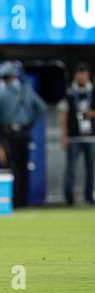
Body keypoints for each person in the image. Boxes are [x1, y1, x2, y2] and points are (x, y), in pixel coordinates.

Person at [0, 61, 47, 208]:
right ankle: (24, 201)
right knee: (23, 168)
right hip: (25, 133)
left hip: (9, 135)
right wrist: (30, 122)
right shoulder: (27, 90)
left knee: (11, 168)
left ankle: (14, 202)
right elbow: (41, 107)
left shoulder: (0, 93)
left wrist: (1, 129)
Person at [58, 62, 95, 205]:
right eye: (79, 73)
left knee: (90, 168)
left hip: (91, 136)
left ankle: (89, 196)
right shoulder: (69, 93)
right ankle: (69, 198)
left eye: (84, 73)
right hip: (74, 136)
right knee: (70, 168)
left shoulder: (93, 92)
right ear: (75, 75)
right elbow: (63, 115)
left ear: (88, 75)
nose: (82, 76)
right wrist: (63, 135)